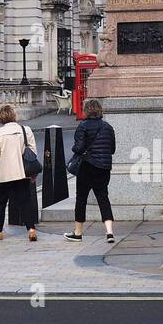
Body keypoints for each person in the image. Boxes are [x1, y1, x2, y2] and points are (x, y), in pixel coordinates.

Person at [64, 98, 116, 244]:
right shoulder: (108, 127)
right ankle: (110, 232)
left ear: (86, 110)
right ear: (100, 110)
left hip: (87, 167)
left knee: (81, 199)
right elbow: (112, 149)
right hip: (103, 168)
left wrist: (74, 148)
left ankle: (78, 232)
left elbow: (79, 148)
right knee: (103, 198)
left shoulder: (83, 126)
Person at [0, 104, 38, 242]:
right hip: (21, 172)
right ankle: (31, 229)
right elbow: (33, 151)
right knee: (25, 201)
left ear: (1, 117)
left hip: (4, 174)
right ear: (13, 115)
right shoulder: (25, 130)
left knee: (1, 203)